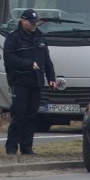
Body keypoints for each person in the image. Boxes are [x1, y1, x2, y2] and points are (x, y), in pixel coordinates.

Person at [3, 8, 57, 155]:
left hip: (36, 82)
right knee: (18, 115)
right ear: (23, 21)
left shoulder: (39, 37)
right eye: (31, 22)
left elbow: (46, 60)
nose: (34, 25)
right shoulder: (13, 38)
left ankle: (27, 148)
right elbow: (9, 58)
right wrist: (28, 64)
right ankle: (11, 148)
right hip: (20, 81)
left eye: (35, 22)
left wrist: (51, 78)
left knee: (32, 116)